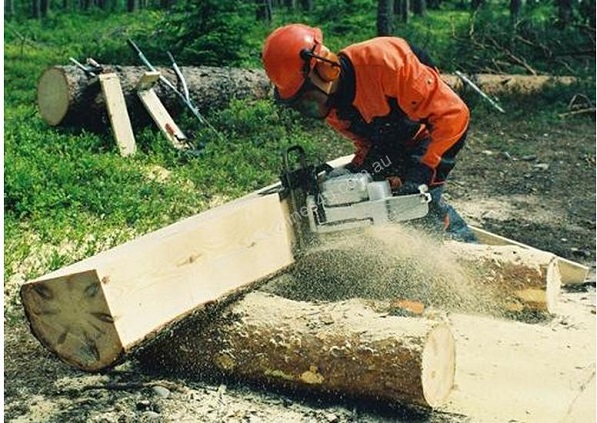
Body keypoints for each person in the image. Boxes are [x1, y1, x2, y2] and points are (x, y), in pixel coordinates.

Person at [261, 23, 477, 242]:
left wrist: (421, 173)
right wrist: (356, 171)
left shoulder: (384, 63)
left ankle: (466, 249)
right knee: (364, 195)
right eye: (302, 104)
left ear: (327, 66)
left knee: (419, 206)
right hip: (392, 142)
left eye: (308, 97)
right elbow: (368, 143)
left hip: (430, 134)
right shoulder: (332, 108)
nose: (312, 106)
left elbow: (453, 116)